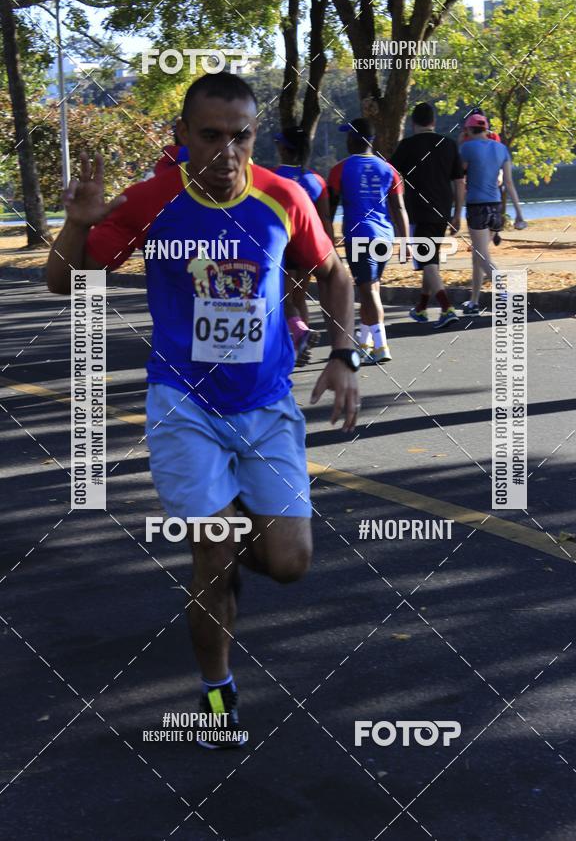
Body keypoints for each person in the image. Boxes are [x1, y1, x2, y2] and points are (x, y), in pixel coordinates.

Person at [46, 72, 360, 748]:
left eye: (240, 135)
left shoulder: (281, 196)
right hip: (183, 403)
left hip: (267, 404)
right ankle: (218, 692)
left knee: (290, 564)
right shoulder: (153, 200)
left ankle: (236, 518)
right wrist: (77, 226)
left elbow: (334, 271)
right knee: (212, 560)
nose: (226, 151)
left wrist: (345, 354)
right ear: (182, 136)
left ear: (255, 134)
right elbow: (63, 284)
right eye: (210, 136)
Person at [328, 117, 409, 364]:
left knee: (367, 291)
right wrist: (406, 243)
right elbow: (399, 209)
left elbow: (327, 213)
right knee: (370, 288)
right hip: (385, 236)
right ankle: (364, 344)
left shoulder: (339, 169)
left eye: (347, 136)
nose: (345, 140)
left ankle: (381, 345)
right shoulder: (389, 169)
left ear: (354, 139)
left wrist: (329, 245)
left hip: (359, 235)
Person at [390, 102, 464, 329]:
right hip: (443, 208)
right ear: (434, 121)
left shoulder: (406, 146)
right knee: (430, 259)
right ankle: (421, 308)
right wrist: (458, 213)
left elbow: (390, 176)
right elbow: (460, 183)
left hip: (418, 211)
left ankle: (446, 307)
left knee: (427, 260)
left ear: (413, 123)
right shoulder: (449, 145)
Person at [273, 125, 334, 364]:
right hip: (309, 248)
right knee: (299, 298)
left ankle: (299, 335)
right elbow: (325, 218)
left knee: (282, 300)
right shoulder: (316, 180)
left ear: (285, 150)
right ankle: (301, 346)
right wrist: (330, 253)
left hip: (284, 247)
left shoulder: (274, 176)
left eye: (279, 143)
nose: (277, 147)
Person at [460, 113, 527, 314]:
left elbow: (459, 175)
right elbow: (508, 183)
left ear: (469, 130)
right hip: (496, 207)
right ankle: (473, 301)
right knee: (479, 256)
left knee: (481, 255)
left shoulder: (467, 148)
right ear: (486, 129)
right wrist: (519, 214)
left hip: (477, 207)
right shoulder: (501, 148)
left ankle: (504, 291)